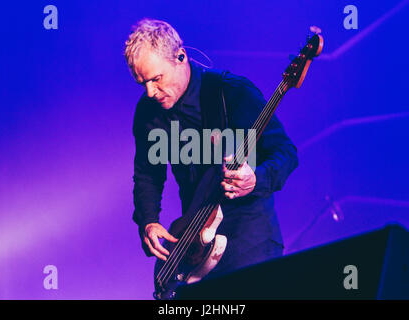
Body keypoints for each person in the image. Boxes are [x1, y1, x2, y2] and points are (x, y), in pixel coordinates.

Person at [124, 18, 298, 277]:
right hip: (195, 250)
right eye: (143, 83)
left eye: (156, 79)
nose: (150, 92)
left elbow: (286, 152)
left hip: (251, 243)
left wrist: (256, 179)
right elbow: (148, 174)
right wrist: (149, 221)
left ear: (180, 57)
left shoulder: (232, 92)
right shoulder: (148, 112)